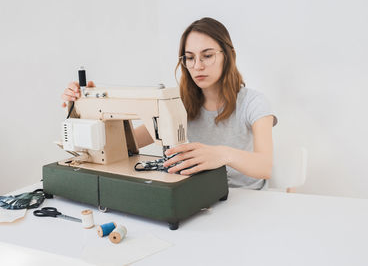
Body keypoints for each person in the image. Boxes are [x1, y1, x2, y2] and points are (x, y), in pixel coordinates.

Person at [62, 17, 277, 190]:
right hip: (203, 194)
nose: (197, 66)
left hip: (250, 199)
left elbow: (265, 166)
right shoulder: (179, 104)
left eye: (207, 56)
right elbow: (129, 144)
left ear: (228, 56)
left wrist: (222, 154)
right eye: (189, 58)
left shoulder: (253, 103)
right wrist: (83, 105)